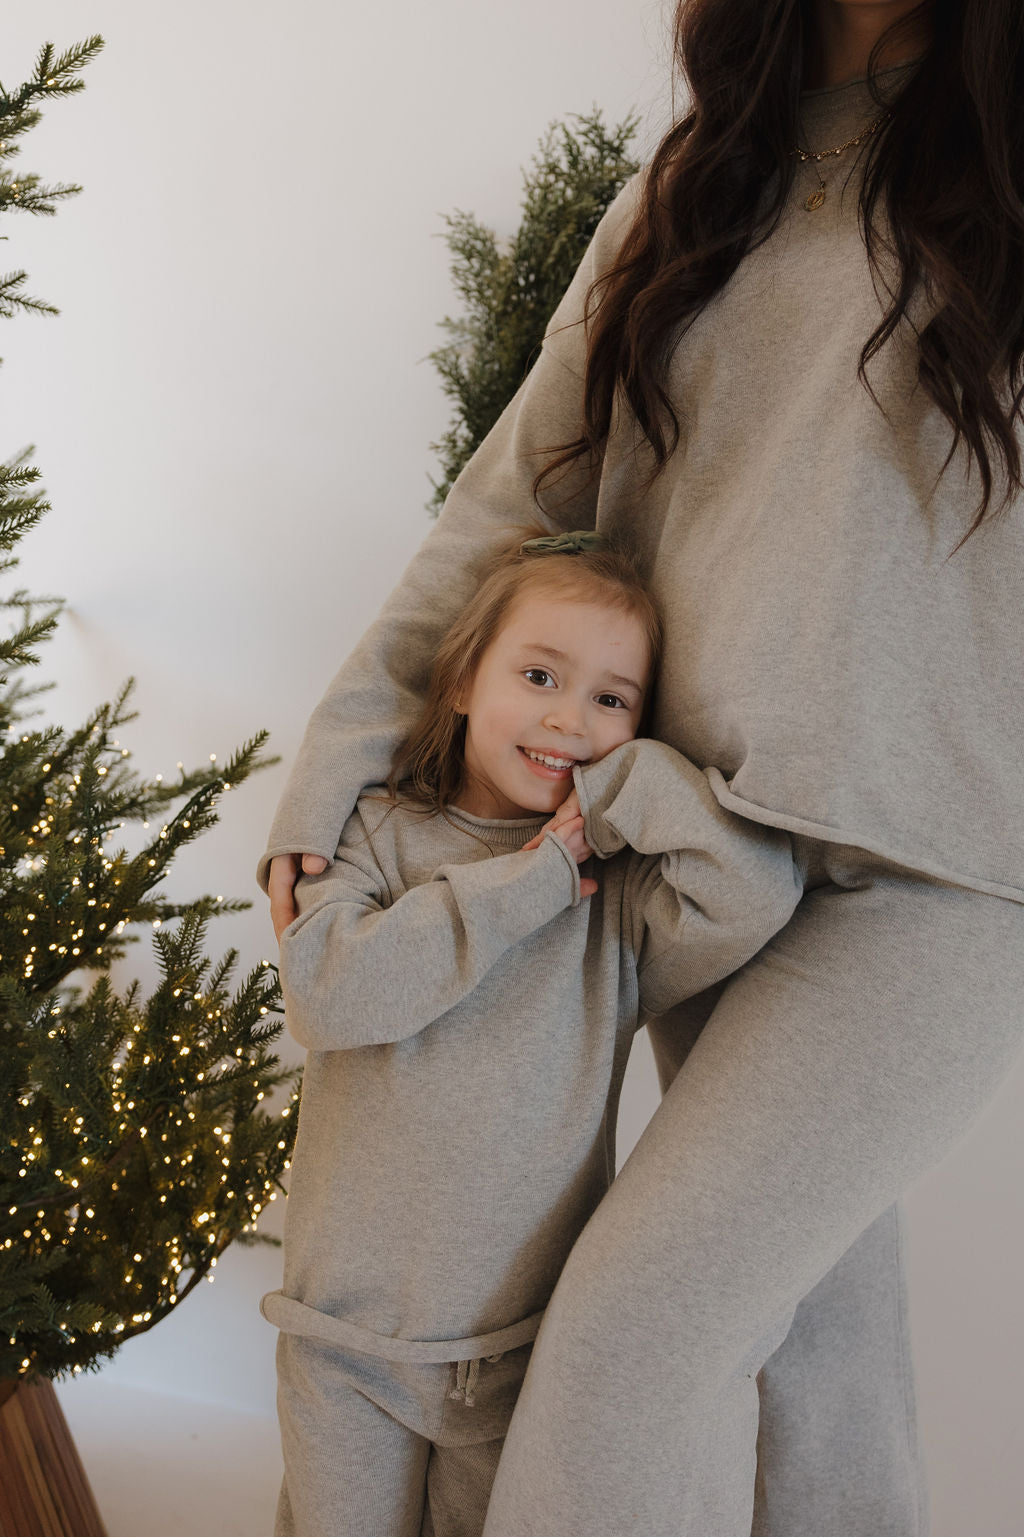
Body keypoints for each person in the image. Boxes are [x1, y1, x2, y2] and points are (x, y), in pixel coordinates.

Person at [259, 0, 1024, 1531]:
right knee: (820, 1368)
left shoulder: (1002, 177)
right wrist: (329, 773)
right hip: (694, 863)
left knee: (623, 1354)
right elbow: (508, 507)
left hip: (934, 882)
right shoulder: (686, 197)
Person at [260, 527, 803, 1537]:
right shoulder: (376, 834)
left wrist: (626, 785)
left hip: (515, 1361)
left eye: (612, 698)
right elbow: (331, 995)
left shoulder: (619, 904)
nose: (570, 716)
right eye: (541, 674)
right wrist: (532, 883)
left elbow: (754, 894)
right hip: (343, 1347)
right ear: (465, 680)